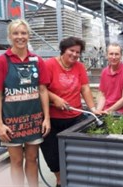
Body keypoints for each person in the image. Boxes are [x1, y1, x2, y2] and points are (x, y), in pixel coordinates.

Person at [0, 19, 51, 187]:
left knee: (32, 159)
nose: (20, 37)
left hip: (34, 120)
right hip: (12, 122)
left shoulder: (37, 60)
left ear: (28, 36)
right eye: (16, 33)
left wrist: (46, 118)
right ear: (9, 36)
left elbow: (43, 90)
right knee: (16, 161)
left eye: (23, 33)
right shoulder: (2, 61)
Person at [40, 36, 98, 187]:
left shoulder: (79, 67)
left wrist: (93, 109)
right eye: (71, 50)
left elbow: (85, 88)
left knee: (76, 153)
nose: (74, 54)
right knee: (52, 155)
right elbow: (42, 89)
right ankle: (60, 181)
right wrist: (55, 99)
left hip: (74, 118)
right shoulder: (49, 65)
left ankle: (75, 179)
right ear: (63, 50)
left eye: (78, 52)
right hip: (52, 118)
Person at [96, 43, 123, 114]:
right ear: (106, 55)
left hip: (121, 111)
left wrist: (108, 111)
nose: (113, 57)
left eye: (116, 54)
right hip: (106, 110)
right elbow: (102, 95)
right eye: (111, 54)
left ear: (121, 55)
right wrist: (98, 110)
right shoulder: (104, 72)